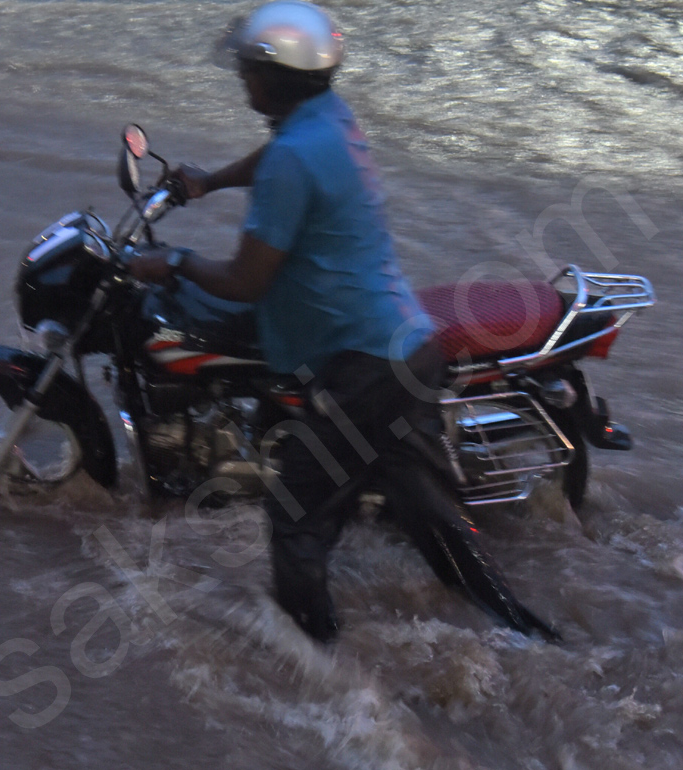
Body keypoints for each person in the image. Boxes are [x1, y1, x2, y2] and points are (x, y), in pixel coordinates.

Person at [128, 1, 559, 644]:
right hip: (407, 348)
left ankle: (318, 664)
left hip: (363, 366)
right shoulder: (325, 119)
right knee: (429, 515)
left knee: (296, 509)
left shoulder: (293, 159)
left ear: (276, 79)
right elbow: (274, 157)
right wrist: (208, 182)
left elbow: (246, 281)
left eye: (249, 70)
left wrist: (179, 261)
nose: (243, 80)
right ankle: (527, 633)